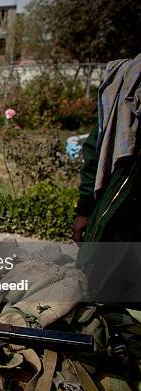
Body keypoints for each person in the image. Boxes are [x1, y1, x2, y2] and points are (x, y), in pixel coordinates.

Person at [72, 54, 140, 301]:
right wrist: (85, 209)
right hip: (120, 213)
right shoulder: (130, 80)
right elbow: (96, 150)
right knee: (102, 291)